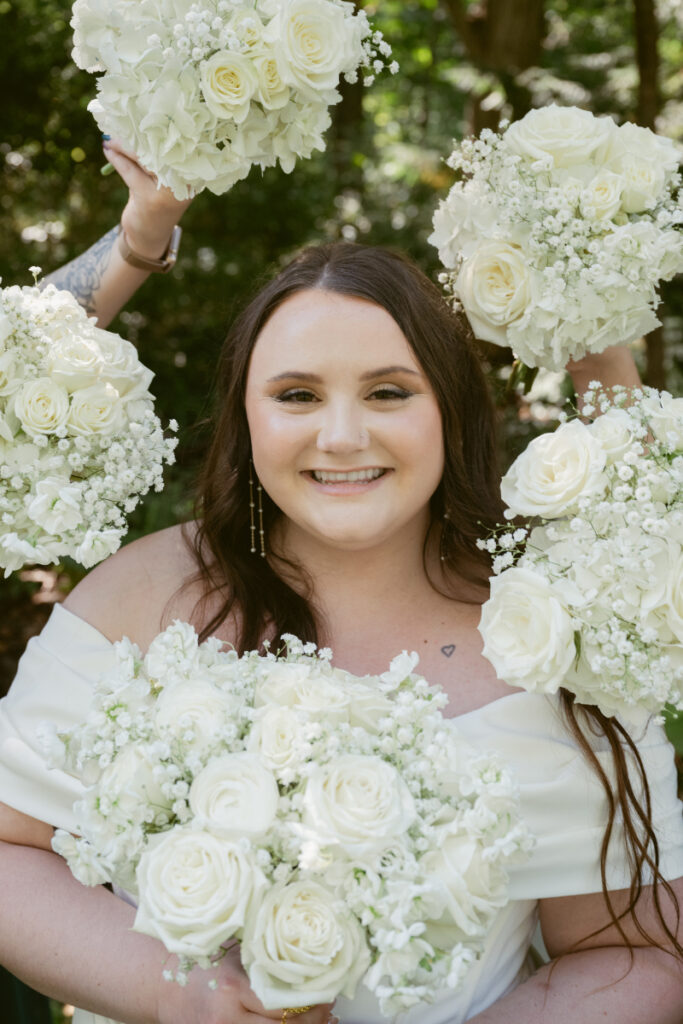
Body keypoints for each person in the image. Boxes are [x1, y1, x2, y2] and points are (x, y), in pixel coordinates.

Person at [0, 144, 682, 1024]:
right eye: (295, 395)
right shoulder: (140, 598)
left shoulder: (555, 629)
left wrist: (581, 282)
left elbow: (634, 954)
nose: (342, 435)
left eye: (390, 392)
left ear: (450, 409)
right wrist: (178, 996)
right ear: (247, 417)